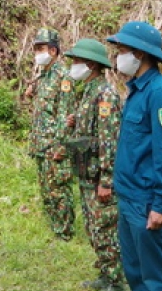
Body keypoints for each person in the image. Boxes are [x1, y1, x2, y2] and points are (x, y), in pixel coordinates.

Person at [107, 22, 162, 291]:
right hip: (129, 197)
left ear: (139, 54)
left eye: (122, 50)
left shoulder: (160, 94)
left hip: (147, 201)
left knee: (158, 279)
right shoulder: (136, 90)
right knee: (136, 273)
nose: (118, 57)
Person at [64, 38, 125, 291]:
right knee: (93, 228)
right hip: (86, 174)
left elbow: (109, 140)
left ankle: (116, 280)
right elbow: (91, 131)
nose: (73, 66)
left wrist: (106, 180)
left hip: (98, 177)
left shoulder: (105, 94)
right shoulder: (89, 91)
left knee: (104, 229)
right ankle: (105, 273)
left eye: (76, 61)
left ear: (90, 64)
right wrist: (74, 121)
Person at [23, 28, 76, 241]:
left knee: (59, 190)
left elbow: (65, 114)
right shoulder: (43, 75)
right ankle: (55, 227)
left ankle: (65, 232)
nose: (37, 53)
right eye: (35, 48)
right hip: (40, 144)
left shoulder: (63, 76)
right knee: (47, 190)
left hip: (54, 145)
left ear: (53, 50)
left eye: (41, 48)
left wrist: (61, 146)